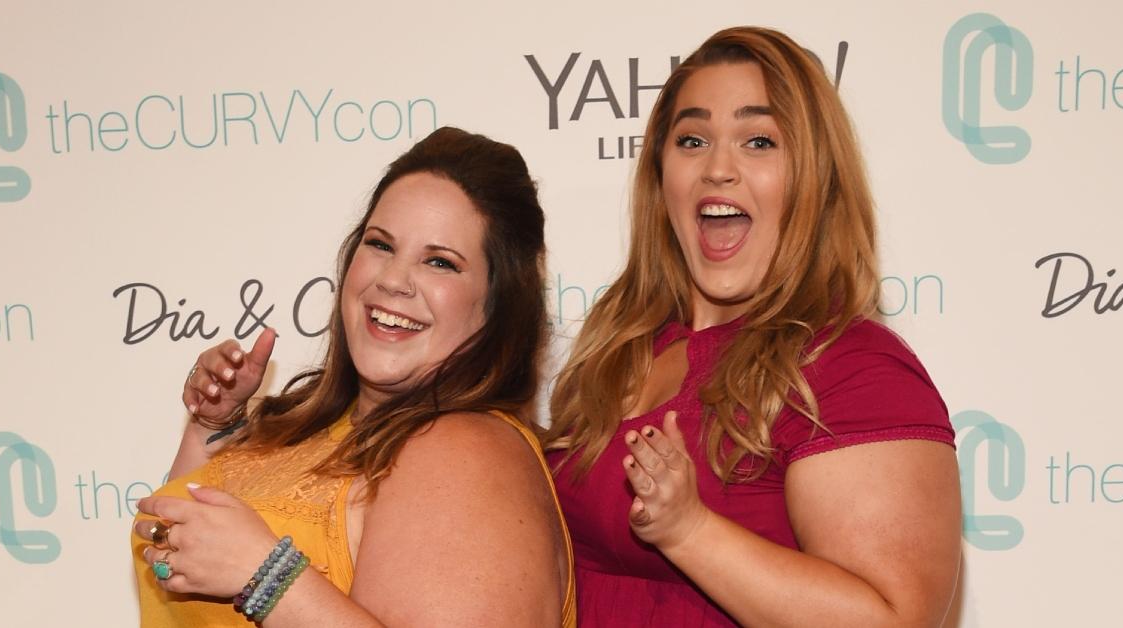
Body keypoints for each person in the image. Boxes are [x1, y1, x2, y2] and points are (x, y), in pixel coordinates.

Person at [543, 26, 961, 626]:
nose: (718, 169)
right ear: (661, 179)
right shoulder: (619, 348)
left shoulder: (852, 369)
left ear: (813, 178)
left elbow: (892, 619)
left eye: (759, 141)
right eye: (691, 140)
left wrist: (689, 531)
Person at [131, 126, 576, 627]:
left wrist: (267, 576)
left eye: (439, 262)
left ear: (498, 304)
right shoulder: (314, 426)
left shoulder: (464, 450)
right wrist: (214, 432)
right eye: (381, 245)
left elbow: (255, 575)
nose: (392, 280)